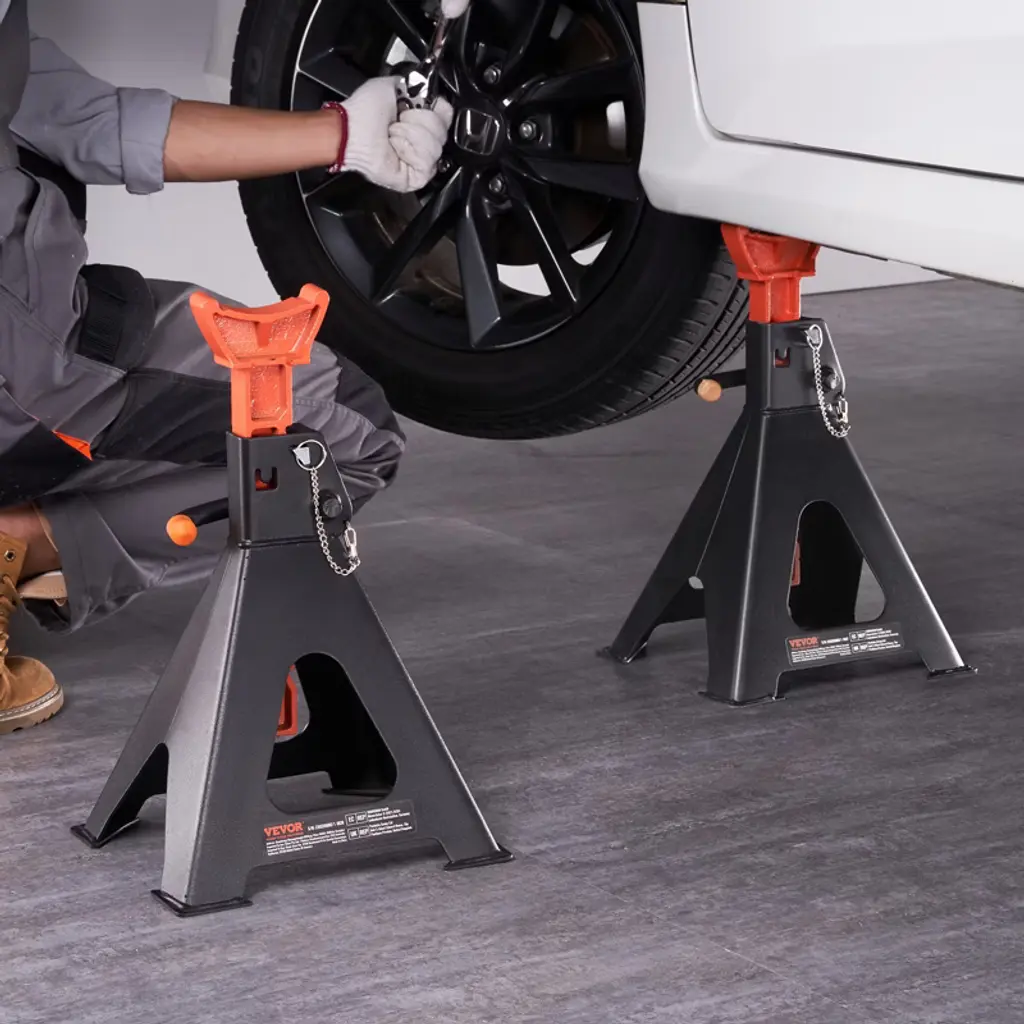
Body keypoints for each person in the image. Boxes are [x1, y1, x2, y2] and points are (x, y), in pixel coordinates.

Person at [0, 0, 469, 734]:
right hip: (26, 367)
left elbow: (87, 119)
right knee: (349, 435)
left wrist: (345, 135)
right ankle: (20, 539)